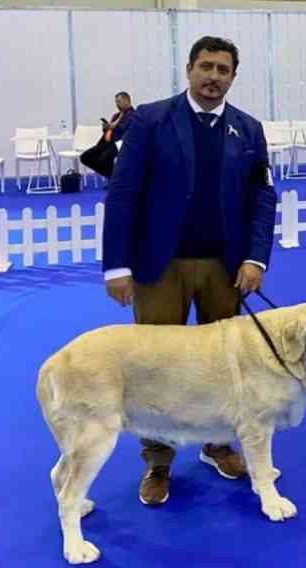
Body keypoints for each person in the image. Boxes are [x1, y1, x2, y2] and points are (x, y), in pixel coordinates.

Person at [102, 36, 276, 505]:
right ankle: (158, 462)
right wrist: (116, 265)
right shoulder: (150, 121)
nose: (213, 76)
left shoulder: (250, 130)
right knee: (155, 368)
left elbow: (262, 197)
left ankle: (216, 443)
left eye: (223, 69)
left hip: (226, 267)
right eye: (206, 66)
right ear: (189, 69)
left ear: (233, 76)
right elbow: (123, 193)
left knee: (226, 366)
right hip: (159, 267)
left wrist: (255, 258)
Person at [80, 91, 135, 178]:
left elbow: (122, 129)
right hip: (106, 143)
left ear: (127, 101)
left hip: (120, 144)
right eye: (116, 102)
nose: (117, 104)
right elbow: (109, 130)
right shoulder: (116, 115)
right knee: (85, 157)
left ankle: (115, 179)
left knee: (104, 158)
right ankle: (112, 176)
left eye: (119, 102)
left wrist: (112, 126)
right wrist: (106, 128)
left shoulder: (133, 115)